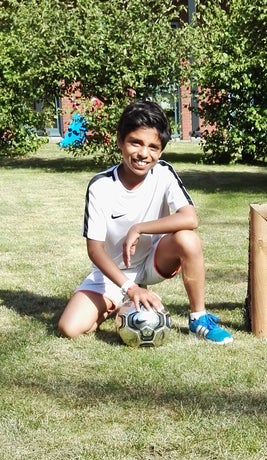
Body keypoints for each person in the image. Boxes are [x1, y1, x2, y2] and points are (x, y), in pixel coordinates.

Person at [58, 100, 233, 344]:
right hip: (113, 273)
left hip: (153, 261)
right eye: (135, 142)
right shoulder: (101, 185)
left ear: (160, 152)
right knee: (69, 328)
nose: (143, 154)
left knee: (188, 238)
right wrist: (129, 288)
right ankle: (120, 301)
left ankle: (198, 319)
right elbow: (95, 250)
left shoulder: (163, 173)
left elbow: (190, 218)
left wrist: (139, 228)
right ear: (120, 142)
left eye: (153, 147)